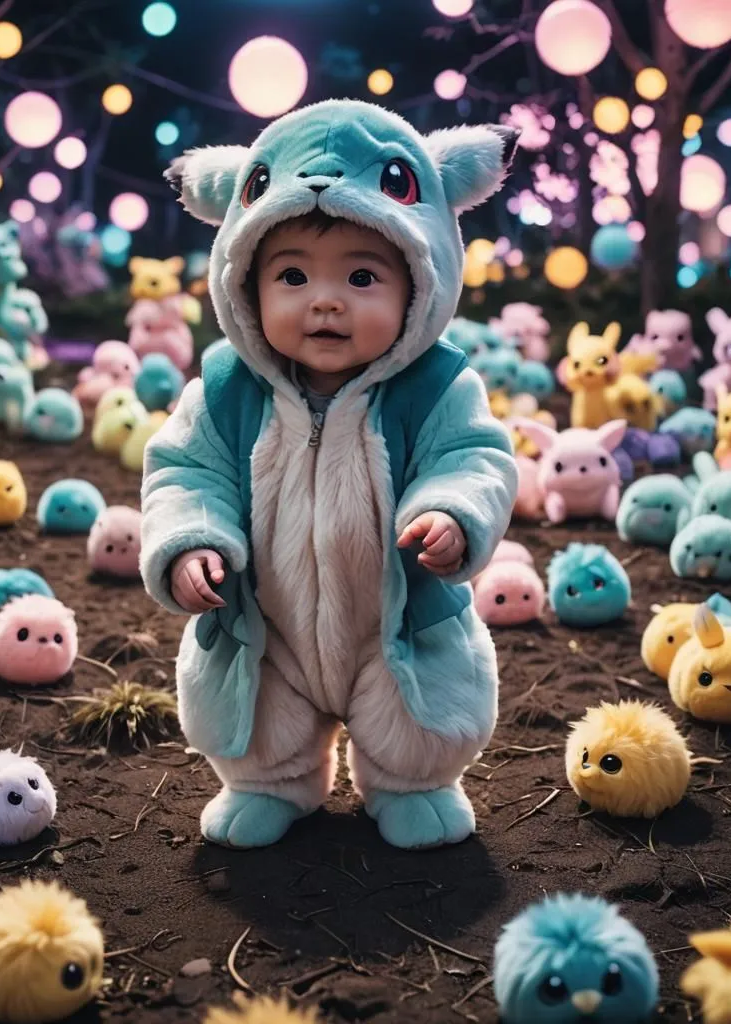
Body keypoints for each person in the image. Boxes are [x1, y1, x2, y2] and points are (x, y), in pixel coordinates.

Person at [140, 99, 520, 850]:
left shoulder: (435, 386)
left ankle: (411, 783)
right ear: (244, 284)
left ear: (420, 280)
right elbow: (186, 469)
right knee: (255, 710)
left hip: (394, 616)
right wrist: (190, 540)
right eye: (291, 275)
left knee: (417, 714)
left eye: (360, 275)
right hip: (268, 620)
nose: (325, 301)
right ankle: (273, 782)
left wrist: (453, 509)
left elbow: (474, 456)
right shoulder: (225, 389)